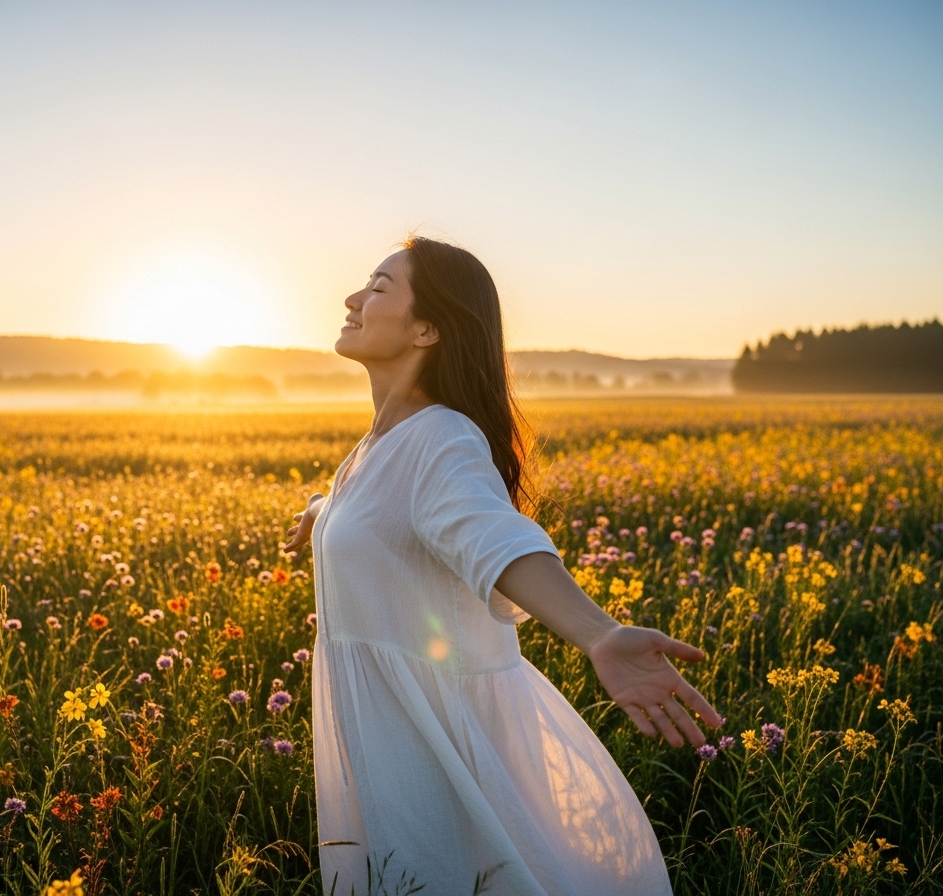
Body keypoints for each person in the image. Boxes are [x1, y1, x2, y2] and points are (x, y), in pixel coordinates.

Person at [279, 237, 723, 896]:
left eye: (378, 287)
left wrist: (598, 633)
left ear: (426, 328)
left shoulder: (442, 438)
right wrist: (327, 514)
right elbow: (393, 512)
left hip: (419, 737)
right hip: (390, 728)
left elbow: (498, 540)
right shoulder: (384, 444)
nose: (352, 299)